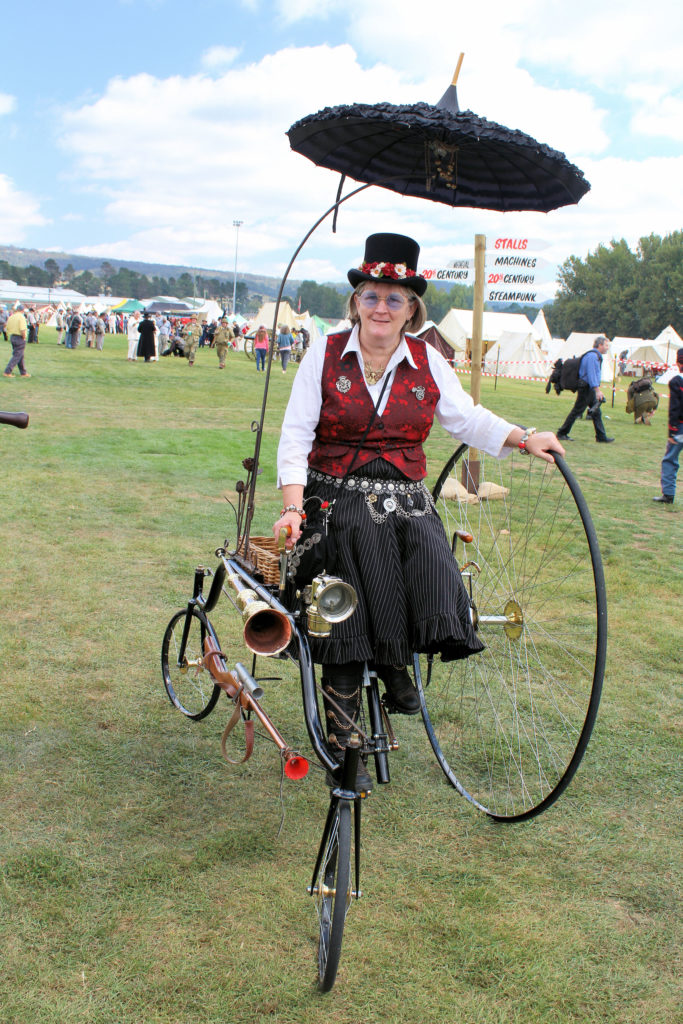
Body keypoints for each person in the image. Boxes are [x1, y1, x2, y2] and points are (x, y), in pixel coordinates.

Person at [272, 233, 564, 791]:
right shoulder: (325, 353)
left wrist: (524, 437)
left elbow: (466, 419)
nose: (382, 308)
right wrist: (291, 508)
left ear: (413, 309)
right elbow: (295, 434)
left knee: (430, 554)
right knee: (356, 543)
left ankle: (395, 659)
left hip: (405, 492)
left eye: (395, 298)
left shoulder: (427, 359)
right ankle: (346, 727)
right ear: (356, 301)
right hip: (333, 493)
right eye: (372, 295)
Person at [557, 336, 614, 443]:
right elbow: (591, 375)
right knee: (577, 411)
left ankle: (601, 436)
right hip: (586, 387)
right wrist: (597, 390)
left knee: (596, 411)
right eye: (606, 345)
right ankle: (562, 433)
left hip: (587, 387)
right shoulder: (593, 357)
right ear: (600, 345)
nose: (607, 348)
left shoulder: (593, 355)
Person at [653, 347, 683, 505]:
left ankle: (668, 494)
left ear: (678, 363)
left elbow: (675, 408)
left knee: (670, 460)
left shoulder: (677, 381)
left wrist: (672, 431)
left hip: (680, 428)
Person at [3, 304, 31, 378]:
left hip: (12, 336)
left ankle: (23, 372)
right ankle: (7, 371)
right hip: (19, 337)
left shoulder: (11, 317)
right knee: (17, 356)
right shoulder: (21, 317)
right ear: (22, 310)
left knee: (20, 355)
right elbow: (22, 329)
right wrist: (24, 337)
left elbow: (6, 328)